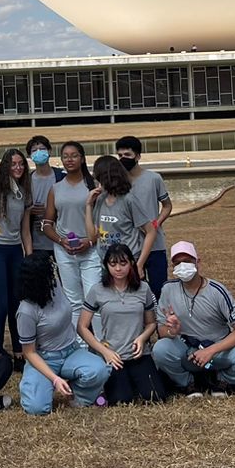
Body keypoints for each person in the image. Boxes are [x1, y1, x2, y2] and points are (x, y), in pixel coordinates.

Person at [153, 241, 235, 397]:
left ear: (198, 262)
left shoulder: (216, 291)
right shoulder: (168, 289)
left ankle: (222, 381)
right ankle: (188, 383)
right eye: (177, 263)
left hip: (218, 350)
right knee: (160, 349)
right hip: (187, 350)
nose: (182, 266)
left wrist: (210, 351)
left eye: (187, 261)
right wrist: (172, 331)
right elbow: (162, 330)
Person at [16, 252, 108, 415]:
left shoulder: (55, 285)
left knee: (99, 370)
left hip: (71, 350)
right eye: (50, 272)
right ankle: (36, 385)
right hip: (44, 357)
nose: (54, 274)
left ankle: (79, 394)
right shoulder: (26, 311)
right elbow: (29, 352)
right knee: (36, 408)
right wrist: (55, 379)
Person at [78, 243, 165, 405]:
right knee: (121, 400)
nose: (118, 268)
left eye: (123, 263)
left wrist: (142, 339)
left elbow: (151, 323)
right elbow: (82, 327)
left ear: (131, 263)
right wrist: (104, 351)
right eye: (113, 264)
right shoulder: (97, 290)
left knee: (156, 397)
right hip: (114, 356)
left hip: (139, 354)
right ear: (106, 265)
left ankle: (136, 381)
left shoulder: (143, 288)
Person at [0, 149, 33, 356]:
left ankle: (19, 351)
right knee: (0, 305)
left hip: (15, 249)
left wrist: (29, 257)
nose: (18, 168)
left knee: (17, 304)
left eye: (21, 163)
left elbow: (25, 229)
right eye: (13, 164)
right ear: (5, 166)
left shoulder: (25, 190)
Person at [44, 141, 100, 326]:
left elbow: (103, 221)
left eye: (74, 155)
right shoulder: (56, 188)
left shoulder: (94, 186)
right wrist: (61, 241)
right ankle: (78, 341)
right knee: (73, 301)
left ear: (82, 159)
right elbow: (47, 224)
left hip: (91, 249)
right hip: (65, 250)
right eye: (65, 156)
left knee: (94, 298)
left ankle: (101, 341)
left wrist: (90, 241)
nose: (70, 160)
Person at [115, 136, 172, 294]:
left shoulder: (154, 178)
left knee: (159, 290)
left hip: (155, 245)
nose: (123, 159)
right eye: (120, 155)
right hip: (129, 246)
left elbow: (167, 206)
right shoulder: (117, 182)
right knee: (132, 292)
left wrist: (156, 223)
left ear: (138, 156)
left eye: (127, 155)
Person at [86, 154, 158, 270]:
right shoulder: (100, 199)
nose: (96, 181)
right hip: (107, 264)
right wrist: (89, 205)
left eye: (98, 177)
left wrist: (139, 265)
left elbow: (151, 232)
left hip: (127, 263)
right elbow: (92, 235)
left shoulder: (129, 200)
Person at [26, 135, 62, 256]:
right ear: (29, 156)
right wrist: (29, 211)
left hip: (60, 239)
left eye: (42, 149)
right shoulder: (26, 181)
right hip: (36, 242)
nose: (39, 152)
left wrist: (51, 210)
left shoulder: (61, 176)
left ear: (49, 151)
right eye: (34, 150)